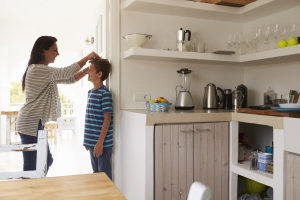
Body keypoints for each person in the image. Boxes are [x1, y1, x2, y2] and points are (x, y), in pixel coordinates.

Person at [16, 35, 100, 173]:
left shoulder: (45, 72)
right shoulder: (37, 69)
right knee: (32, 165)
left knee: (46, 160)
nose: (58, 53)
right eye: (54, 50)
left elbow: (69, 79)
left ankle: (37, 187)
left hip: (35, 122)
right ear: (43, 51)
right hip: (29, 122)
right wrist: (86, 58)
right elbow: (65, 72)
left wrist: (86, 71)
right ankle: (31, 191)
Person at [83, 57, 113, 180]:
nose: (87, 72)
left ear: (99, 74)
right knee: (96, 175)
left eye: (90, 70)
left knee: (104, 177)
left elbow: (107, 119)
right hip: (92, 143)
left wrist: (99, 143)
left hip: (102, 144)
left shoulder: (104, 94)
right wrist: (87, 141)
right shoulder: (90, 93)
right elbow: (90, 118)